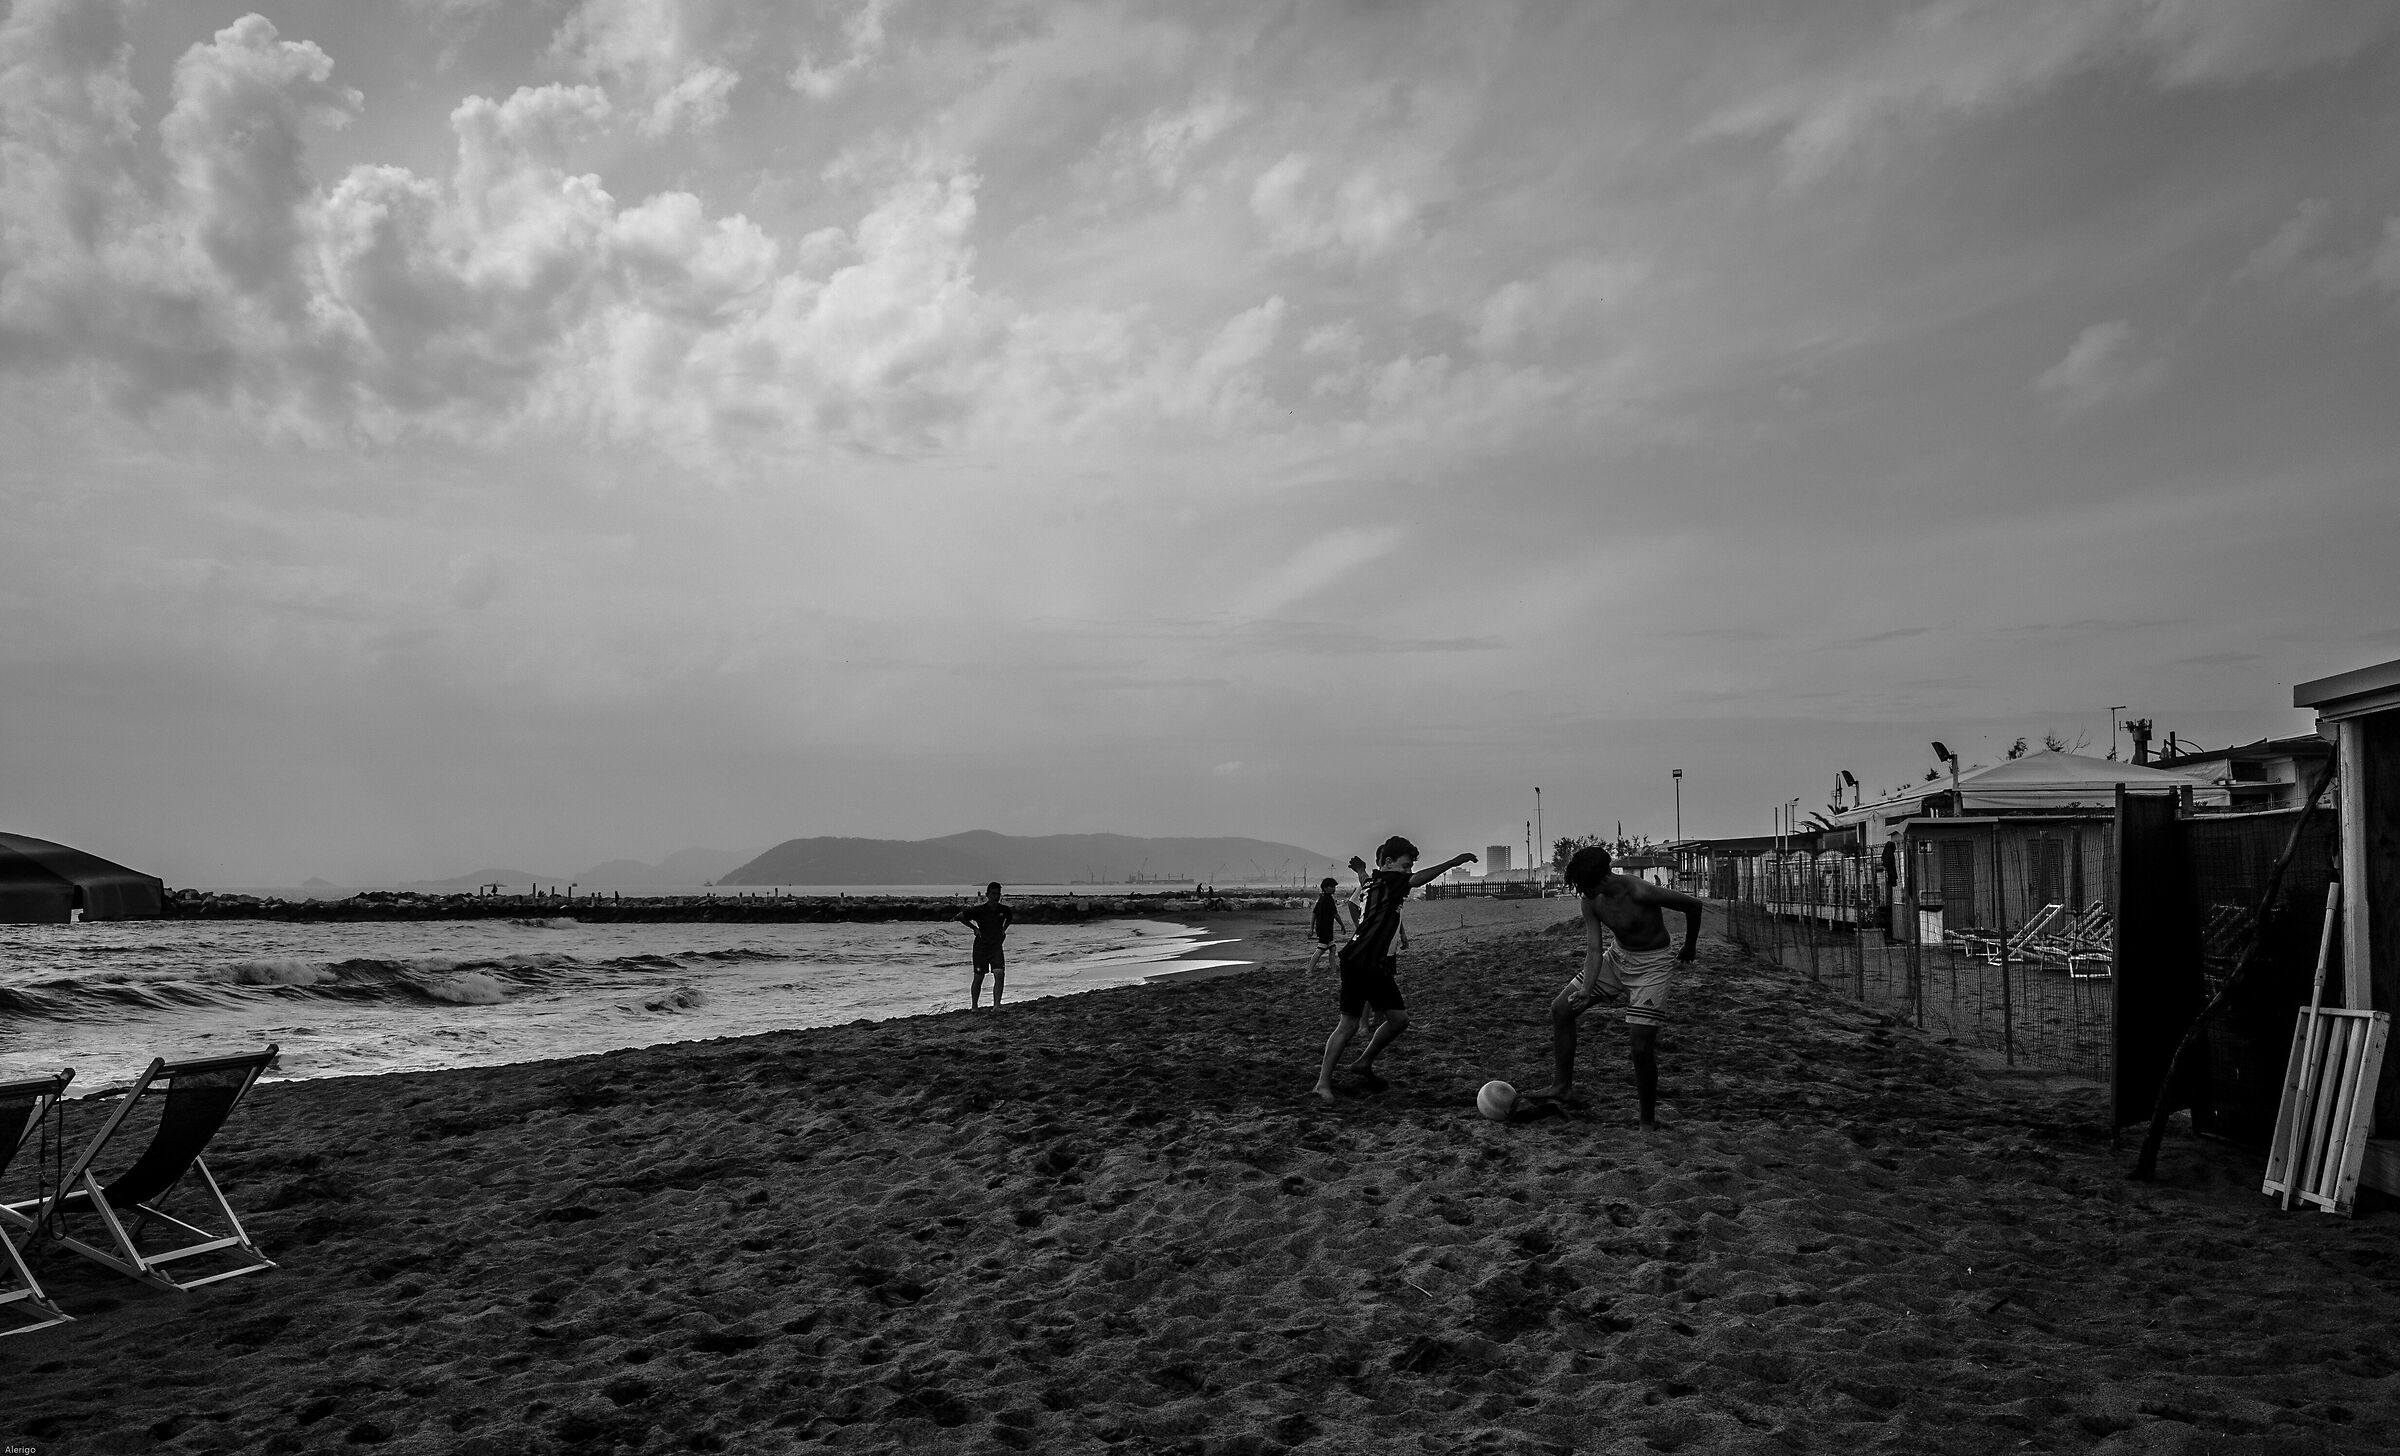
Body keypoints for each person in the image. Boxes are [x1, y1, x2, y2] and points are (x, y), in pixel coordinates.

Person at [1522, 845, 1703, 1128]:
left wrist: (1690, 944)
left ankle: (1647, 1122)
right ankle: (1562, 1086)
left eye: (1585, 885)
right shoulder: (1591, 901)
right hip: (1617, 957)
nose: (1581, 891)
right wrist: (1586, 989)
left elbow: (1694, 905)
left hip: (1653, 966)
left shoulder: (1640, 891)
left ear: (1603, 878)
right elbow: (1594, 950)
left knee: (1640, 1047)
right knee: (1561, 1009)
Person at [1311, 837, 1477, 1103]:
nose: (1408, 872)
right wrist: (1455, 862)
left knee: (1399, 1020)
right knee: (1349, 1024)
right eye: (1405, 866)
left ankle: (1364, 1062)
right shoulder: (1390, 880)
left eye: (1410, 867)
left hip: (1376, 964)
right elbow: (1418, 879)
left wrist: (1361, 870)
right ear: (1388, 863)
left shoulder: (1376, 880)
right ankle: (1322, 1084)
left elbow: (1367, 880)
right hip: (1358, 960)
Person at [956, 882, 1014, 1008]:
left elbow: (1009, 918)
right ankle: (974, 1006)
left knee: (999, 974)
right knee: (979, 977)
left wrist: (1003, 930)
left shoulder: (1004, 910)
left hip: (996, 947)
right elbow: (960, 916)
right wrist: (974, 928)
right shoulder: (979, 910)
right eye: (993, 894)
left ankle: (997, 1006)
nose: (996, 896)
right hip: (981, 948)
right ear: (987, 894)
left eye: (998, 894)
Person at [1305, 877, 1344, 972]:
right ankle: (1309, 970)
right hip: (1325, 928)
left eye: (1334, 887)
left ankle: (1333, 970)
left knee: (1332, 948)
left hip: (1322, 927)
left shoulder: (1321, 898)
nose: (1334, 889)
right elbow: (1336, 915)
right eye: (1332, 887)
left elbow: (1314, 913)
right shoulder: (1328, 899)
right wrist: (1342, 925)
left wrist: (1312, 928)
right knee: (1321, 949)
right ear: (1325, 888)